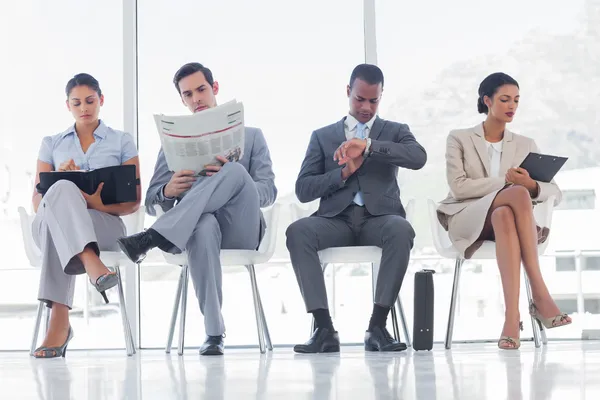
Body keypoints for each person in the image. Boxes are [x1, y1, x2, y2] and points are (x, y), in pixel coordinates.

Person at [117, 62, 277, 356]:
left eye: (201, 90)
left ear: (214, 89)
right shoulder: (173, 145)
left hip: (241, 227)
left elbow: (269, 192)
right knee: (202, 225)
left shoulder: (252, 136)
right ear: (182, 100)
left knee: (234, 172)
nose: (196, 99)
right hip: (196, 232)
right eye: (188, 94)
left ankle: (152, 238)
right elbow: (152, 199)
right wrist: (168, 190)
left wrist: (235, 178)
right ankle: (214, 333)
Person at [286, 64, 427, 353]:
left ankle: (377, 326)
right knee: (297, 231)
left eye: (373, 100)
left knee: (402, 230)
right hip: (334, 222)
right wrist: (342, 174)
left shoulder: (395, 131)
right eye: (359, 99)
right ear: (348, 92)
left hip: (380, 221)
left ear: (381, 95)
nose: (366, 107)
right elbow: (303, 189)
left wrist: (369, 146)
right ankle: (324, 328)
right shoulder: (322, 136)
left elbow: (418, 157)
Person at [436, 72, 572, 350]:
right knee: (516, 193)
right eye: (505, 99)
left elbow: (555, 193)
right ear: (487, 100)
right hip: (467, 218)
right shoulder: (459, 138)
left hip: (509, 222)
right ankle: (540, 294)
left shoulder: (525, 144)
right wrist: (510, 183)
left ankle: (512, 320)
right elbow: (459, 188)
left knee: (504, 213)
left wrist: (531, 184)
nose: (512, 106)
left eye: (516, 101)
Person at [31, 73, 142, 358]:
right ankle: (92, 263)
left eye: (90, 101)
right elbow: (36, 202)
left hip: (104, 225)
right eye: (77, 103)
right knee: (62, 190)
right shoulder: (51, 143)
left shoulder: (121, 141)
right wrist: (61, 187)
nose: (84, 108)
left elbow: (134, 202)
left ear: (101, 100)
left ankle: (59, 324)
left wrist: (96, 204)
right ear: (67, 105)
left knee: (61, 224)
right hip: (50, 222)